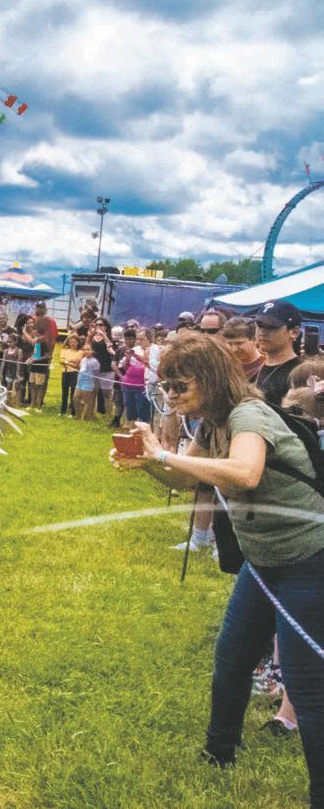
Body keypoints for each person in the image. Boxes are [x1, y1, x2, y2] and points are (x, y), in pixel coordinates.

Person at [113, 334, 324, 801]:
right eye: (166, 386)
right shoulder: (212, 424)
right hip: (262, 561)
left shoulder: (248, 415)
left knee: (308, 686)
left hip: (309, 559)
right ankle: (218, 752)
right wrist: (147, 460)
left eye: (180, 386)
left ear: (209, 380)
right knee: (232, 657)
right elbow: (185, 478)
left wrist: (162, 453)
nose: (171, 396)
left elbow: (246, 472)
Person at [256, 302, 304, 407]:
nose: (262, 332)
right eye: (259, 325)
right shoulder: (256, 367)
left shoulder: (299, 374)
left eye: (272, 327)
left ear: (294, 332)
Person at [26, 302, 59, 410]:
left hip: (44, 354)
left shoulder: (51, 321)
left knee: (41, 382)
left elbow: (53, 339)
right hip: (34, 352)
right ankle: (31, 401)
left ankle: (39, 402)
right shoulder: (32, 319)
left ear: (45, 309)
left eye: (41, 307)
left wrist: (50, 356)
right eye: (37, 307)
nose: (39, 309)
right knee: (32, 381)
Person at [223, 317, 265, 382]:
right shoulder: (223, 366)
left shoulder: (265, 367)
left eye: (239, 343)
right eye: (230, 344)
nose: (234, 349)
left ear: (255, 340)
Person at [59, 334, 83, 415]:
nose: (72, 344)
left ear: (78, 343)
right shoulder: (64, 351)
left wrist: (66, 362)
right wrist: (70, 362)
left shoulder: (80, 352)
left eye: (74, 342)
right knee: (64, 392)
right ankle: (63, 411)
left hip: (74, 373)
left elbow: (76, 365)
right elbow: (61, 361)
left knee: (73, 392)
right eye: (71, 342)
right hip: (65, 372)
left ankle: (73, 411)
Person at [74, 345, 99, 420]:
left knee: (87, 401)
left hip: (88, 383)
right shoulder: (83, 359)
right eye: (84, 350)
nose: (86, 351)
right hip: (80, 383)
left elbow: (96, 375)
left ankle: (86, 417)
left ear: (92, 351)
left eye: (88, 349)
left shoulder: (94, 361)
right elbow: (80, 370)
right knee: (76, 398)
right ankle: (78, 415)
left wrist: (95, 385)